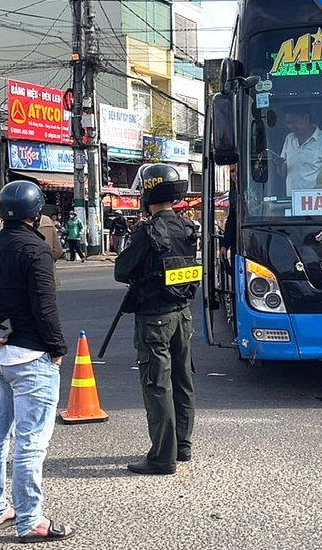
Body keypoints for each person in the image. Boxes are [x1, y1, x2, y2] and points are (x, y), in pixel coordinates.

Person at [0, 180, 73, 543]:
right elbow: (45, 306)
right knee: (31, 442)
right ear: (36, 212)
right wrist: (57, 348)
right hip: (31, 357)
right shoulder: (35, 249)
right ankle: (31, 521)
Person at [114, 163, 198, 476]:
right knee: (182, 380)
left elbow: (121, 270)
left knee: (157, 385)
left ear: (149, 193)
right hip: (182, 315)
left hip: (155, 319)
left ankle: (163, 457)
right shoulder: (187, 228)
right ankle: (182, 445)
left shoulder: (147, 232)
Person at [278, 107, 322, 193]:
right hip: (291, 198)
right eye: (288, 123)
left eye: (294, 122)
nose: (291, 126)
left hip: (316, 198)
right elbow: (283, 173)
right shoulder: (289, 138)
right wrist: (279, 165)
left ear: (306, 118)